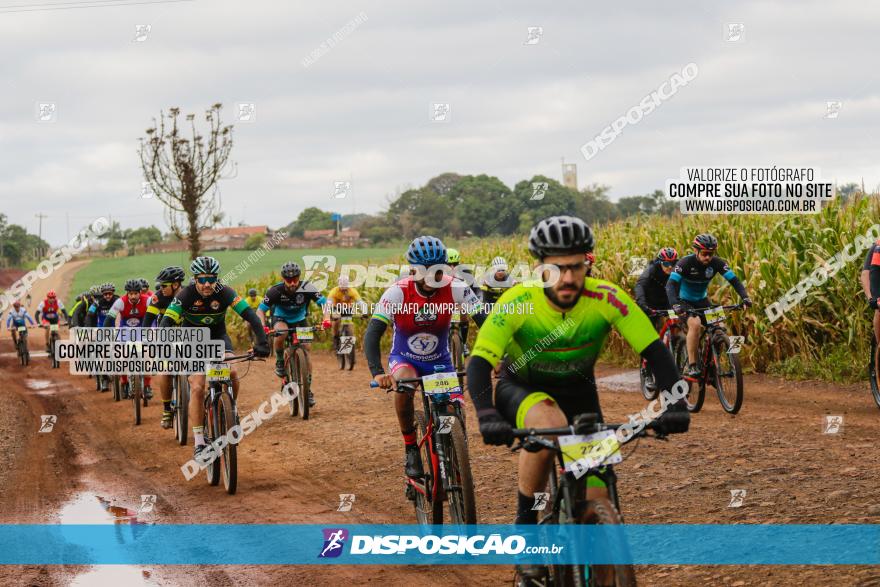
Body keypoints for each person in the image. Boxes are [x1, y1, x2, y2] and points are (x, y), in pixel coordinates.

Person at [465, 216, 688, 580]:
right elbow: (479, 363)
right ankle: (526, 529)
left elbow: (655, 353)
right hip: (522, 388)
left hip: (580, 393)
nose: (567, 278)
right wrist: (486, 413)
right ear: (540, 267)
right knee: (549, 426)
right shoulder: (519, 300)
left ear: (588, 263)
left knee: (597, 494)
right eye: (557, 268)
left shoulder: (606, 297)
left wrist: (676, 401)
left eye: (576, 267)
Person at [365, 236, 486, 478]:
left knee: (454, 410)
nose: (432, 276)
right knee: (405, 385)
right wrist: (378, 373)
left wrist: (497, 357)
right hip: (405, 358)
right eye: (425, 271)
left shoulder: (457, 287)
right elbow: (372, 334)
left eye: (438, 271)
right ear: (413, 270)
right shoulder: (397, 292)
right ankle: (410, 447)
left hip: (440, 359)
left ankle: (454, 449)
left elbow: (486, 323)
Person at [159, 256, 270, 460]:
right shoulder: (185, 295)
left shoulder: (225, 292)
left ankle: (231, 411)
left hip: (219, 337)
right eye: (202, 280)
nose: (207, 284)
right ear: (195, 279)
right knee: (198, 386)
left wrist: (262, 342)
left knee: (233, 371)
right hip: (191, 341)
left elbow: (251, 316)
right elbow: (166, 322)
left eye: (212, 279)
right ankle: (200, 442)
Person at [666, 234, 752, 378]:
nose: (708, 257)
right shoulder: (684, 263)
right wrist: (675, 305)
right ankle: (692, 365)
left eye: (711, 254)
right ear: (696, 251)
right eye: (705, 254)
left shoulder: (717, 263)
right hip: (684, 302)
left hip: (703, 301)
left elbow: (735, 281)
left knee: (720, 327)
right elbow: (670, 285)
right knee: (695, 324)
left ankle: (713, 363)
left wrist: (745, 297)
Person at [257, 262, 329, 407]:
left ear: (299, 277)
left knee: (307, 348)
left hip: (300, 320)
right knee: (281, 333)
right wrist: (263, 326)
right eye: (289, 280)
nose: (292, 283)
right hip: (281, 319)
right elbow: (260, 310)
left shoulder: (307, 287)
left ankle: (307, 390)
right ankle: (279, 360)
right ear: (283, 279)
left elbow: (324, 302)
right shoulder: (275, 291)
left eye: (295, 279)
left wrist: (326, 319)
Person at [144, 266, 186, 429]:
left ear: (175, 284)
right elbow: (148, 321)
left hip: (187, 336)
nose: (160, 288)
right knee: (166, 370)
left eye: (163, 285)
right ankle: (167, 409)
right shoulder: (158, 298)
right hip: (165, 336)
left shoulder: (188, 295)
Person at [106, 279, 152, 399]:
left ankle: (147, 386)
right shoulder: (120, 302)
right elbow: (110, 318)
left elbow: (155, 316)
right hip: (124, 331)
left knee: (147, 356)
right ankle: (124, 383)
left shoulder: (147, 300)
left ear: (140, 292)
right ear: (127, 293)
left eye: (135, 293)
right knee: (121, 357)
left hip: (142, 330)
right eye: (130, 294)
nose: (133, 296)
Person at [635, 247, 679, 331]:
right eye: (666, 264)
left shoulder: (677, 270)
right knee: (650, 331)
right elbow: (640, 285)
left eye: (673, 263)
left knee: (675, 323)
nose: (670, 266)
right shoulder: (651, 269)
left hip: (666, 303)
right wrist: (642, 304)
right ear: (660, 262)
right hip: (650, 305)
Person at [446, 248, 478, 355]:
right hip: (445, 301)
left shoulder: (464, 272)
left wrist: (477, 298)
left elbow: (474, 287)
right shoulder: (439, 273)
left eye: (454, 264)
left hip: (460, 300)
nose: (451, 267)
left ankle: (463, 344)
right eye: (448, 264)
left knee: (464, 314)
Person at [323, 276, 367, 351]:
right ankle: (336, 337)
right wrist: (327, 317)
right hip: (336, 308)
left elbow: (360, 302)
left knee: (349, 325)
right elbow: (327, 305)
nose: (343, 291)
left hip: (347, 309)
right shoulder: (334, 291)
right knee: (336, 321)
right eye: (342, 289)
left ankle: (348, 350)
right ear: (339, 287)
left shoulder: (352, 291)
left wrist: (364, 312)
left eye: (345, 289)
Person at [861, 239, 880, 345]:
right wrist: (871, 298)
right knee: (879, 311)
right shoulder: (876, 248)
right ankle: (879, 346)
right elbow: (865, 275)